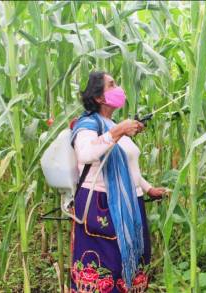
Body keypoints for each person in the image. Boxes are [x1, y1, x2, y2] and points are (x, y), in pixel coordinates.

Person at [70, 71, 167, 293]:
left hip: (131, 205)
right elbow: (85, 154)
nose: (118, 88)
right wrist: (118, 132)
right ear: (99, 98)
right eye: (112, 85)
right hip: (101, 206)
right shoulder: (88, 123)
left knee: (130, 263)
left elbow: (128, 168)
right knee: (107, 264)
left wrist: (148, 188)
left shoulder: (111, 123)